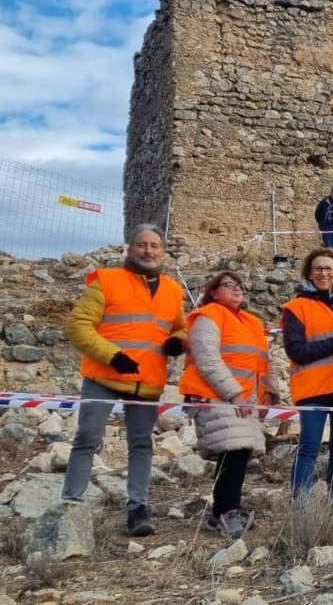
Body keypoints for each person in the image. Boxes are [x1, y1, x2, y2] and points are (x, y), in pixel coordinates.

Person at [63, 223, 187, 537]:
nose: (149, 251)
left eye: (154, 246)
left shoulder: (173, 290)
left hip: (147, 381)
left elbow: (181, 327)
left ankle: (138, 509)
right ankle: (71, 505)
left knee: (142, 445)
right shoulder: (107, 281)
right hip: (104, 375)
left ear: (163, 251)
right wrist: (112, 355)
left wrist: (178, 341)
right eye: (142, 245)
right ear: (129, 249)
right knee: (87, 439)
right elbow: (78, 325)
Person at [179, 271, 280, 538]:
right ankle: (226, 512)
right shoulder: (207, 316)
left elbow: (263, 360)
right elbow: (207, 359)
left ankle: (220, 513)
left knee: (237, 454)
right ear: (213, 291)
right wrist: (234, 393)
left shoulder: (251, 322)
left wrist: (271, 391)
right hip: (216, 397)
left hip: (242, 400)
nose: (236, 289)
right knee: (234, 452)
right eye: (228, 285)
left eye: (239, 285)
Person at [281, 248, 333, 500]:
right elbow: (296, 351)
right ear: (309, 273)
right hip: (313, 390)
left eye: (328, 268)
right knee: (309, 449)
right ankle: (300, 510)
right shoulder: (295, 308)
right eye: (318, 268)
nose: (323, 273)